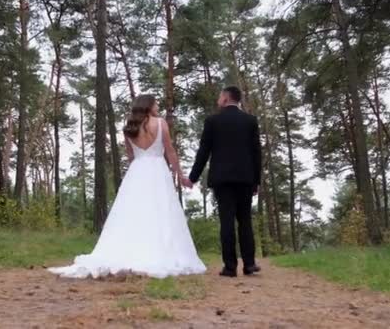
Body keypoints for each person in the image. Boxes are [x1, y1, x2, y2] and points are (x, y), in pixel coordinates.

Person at [49, 95, 206, 279]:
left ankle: (131, 249)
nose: (158, 106)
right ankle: (159, 251)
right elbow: (170, 151)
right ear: (148, 106)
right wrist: (180, 175)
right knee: (160, 210)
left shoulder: (129, 127)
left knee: (133, 212)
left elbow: (131, 155)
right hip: (157, 171)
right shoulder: (161, 123)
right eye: (155, 103)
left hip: (137, 171)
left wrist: (136, 171)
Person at [186, 86, 262, 277]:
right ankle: (249, 264)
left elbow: (204, 151)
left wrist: (192, 177)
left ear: (227, 98)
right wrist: (256, 181)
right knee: (245, 220)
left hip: (222, 179)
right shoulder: (250, 121)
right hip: (245, 178)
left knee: (226, 221)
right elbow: (256, 153)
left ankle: (230, 267)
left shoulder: (213, 121)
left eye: (220, 96)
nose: (218, 99)